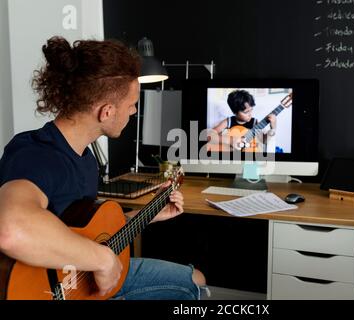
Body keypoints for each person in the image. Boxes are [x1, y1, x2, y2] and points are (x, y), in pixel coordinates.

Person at [0, 36, 206, 300]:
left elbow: (85, 231)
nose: (133, 112)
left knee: (195, 280)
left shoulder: (85, 158)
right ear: (106, 112)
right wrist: (103, 260)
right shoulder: (36, 154)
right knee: (188, 292)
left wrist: (145, 215)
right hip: (49, 290)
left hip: (84, 280)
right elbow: (11, 228)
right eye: (132, 104)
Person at [209, 90, 276, 151]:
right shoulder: (228, 121)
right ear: (235, 112)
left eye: (251, 110)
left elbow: (264, 141)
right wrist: (231, 140)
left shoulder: (255, 123)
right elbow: (209, 135)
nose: (250, 114)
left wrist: (273, 128)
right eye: (246, 112)